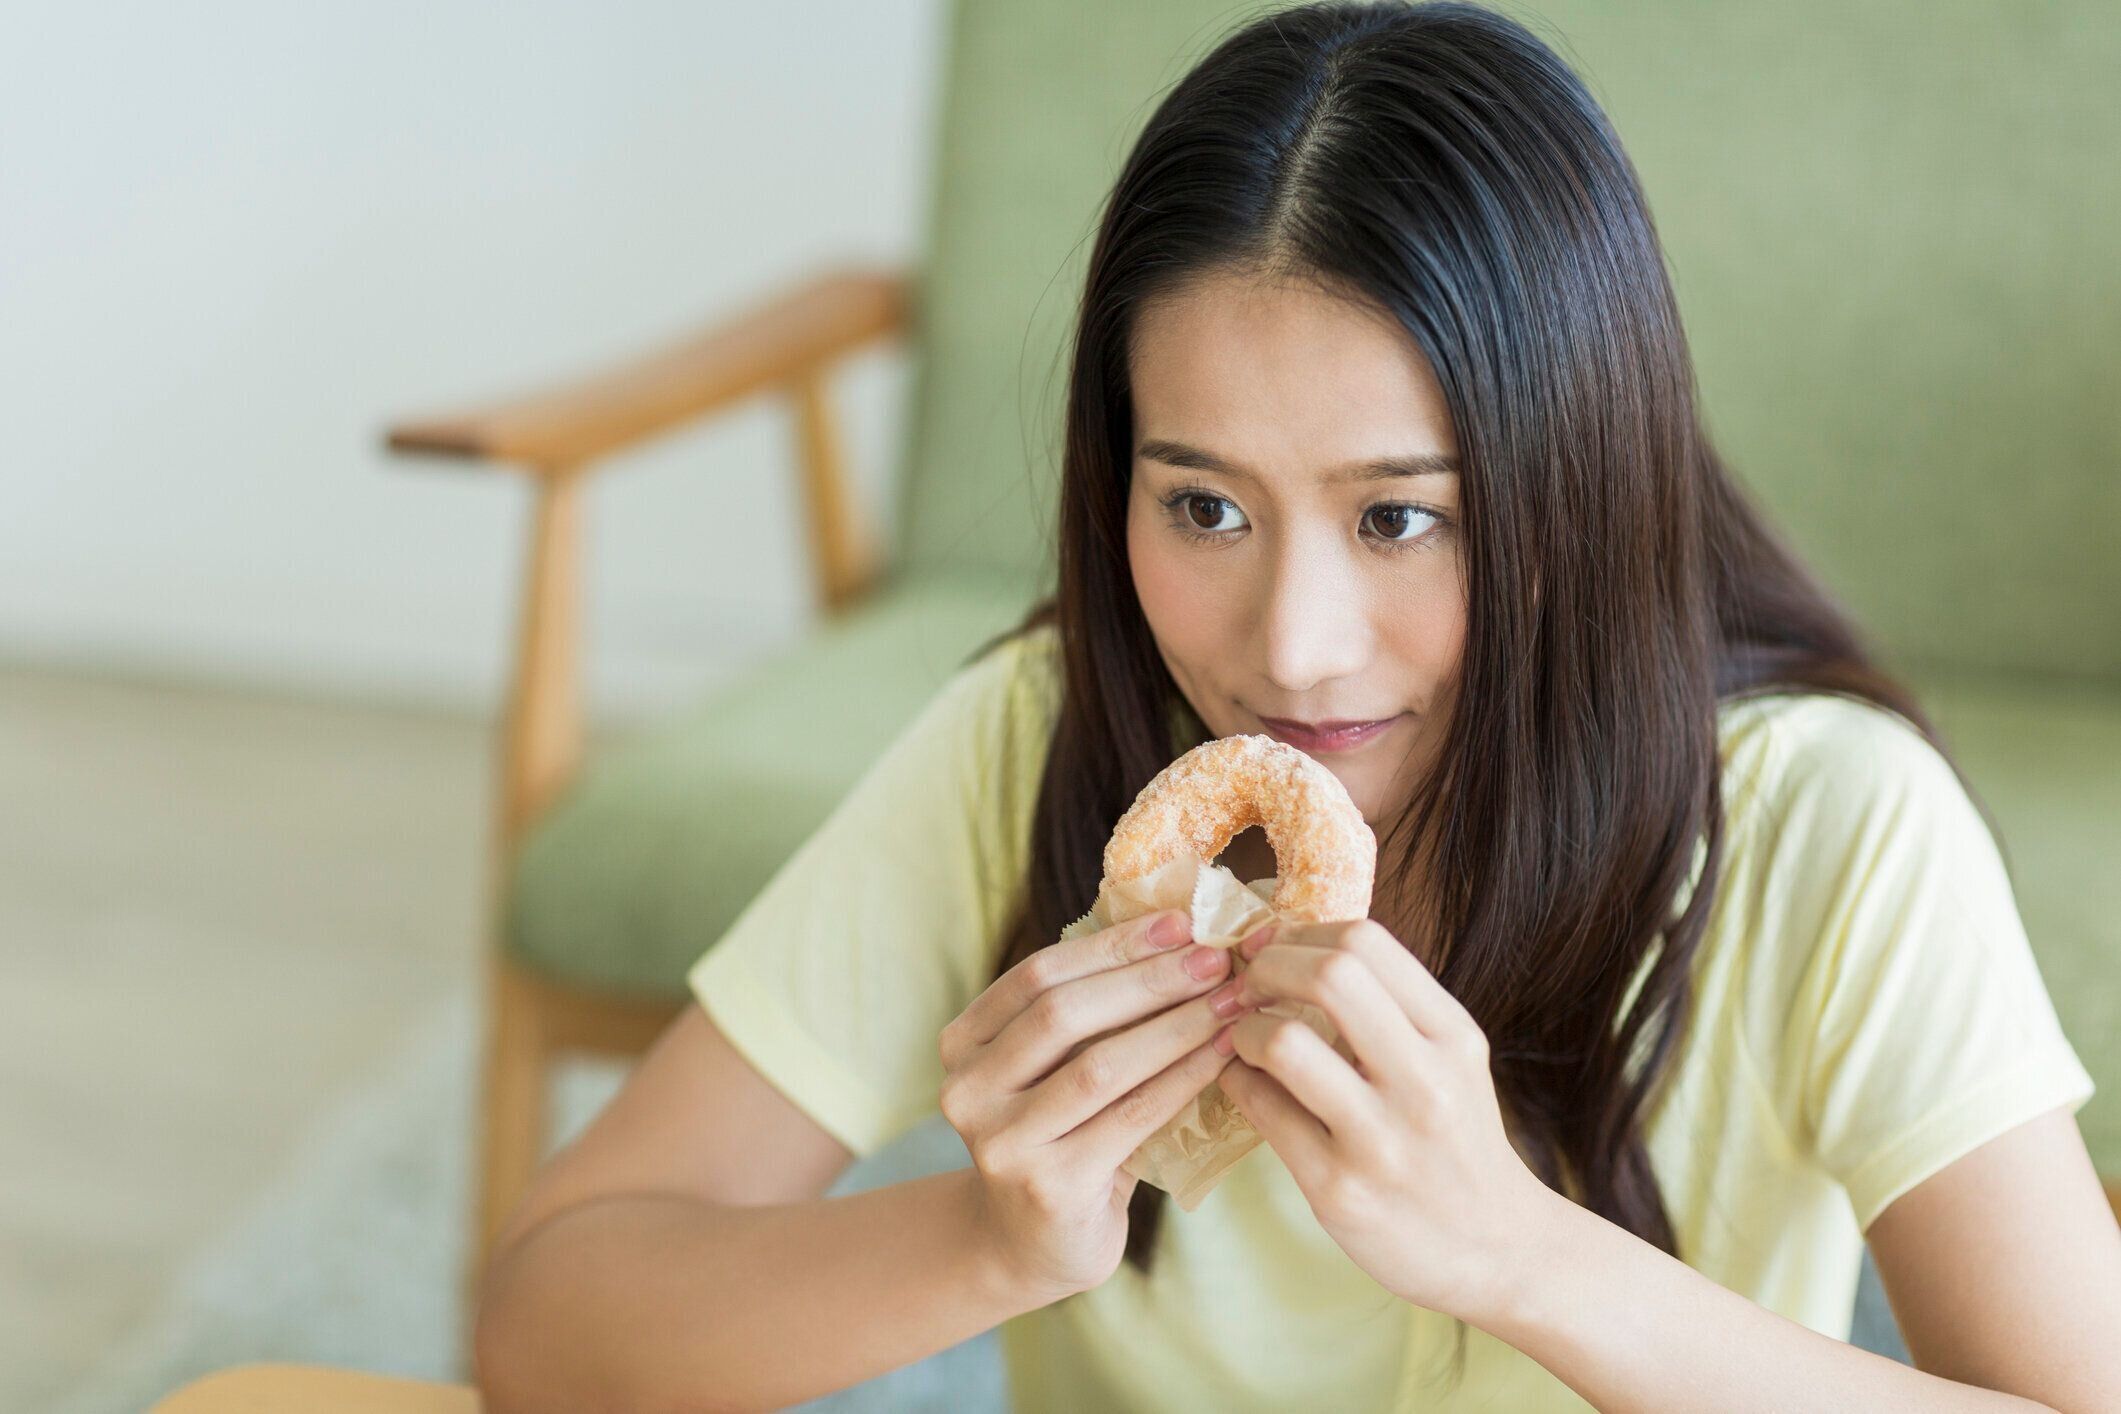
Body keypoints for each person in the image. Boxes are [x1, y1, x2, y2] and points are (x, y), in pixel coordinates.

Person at [469, 4, 2121, 1410]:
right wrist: (989, 1240)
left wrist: (1516, 1252)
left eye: (1398, 516)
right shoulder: (1033, 742)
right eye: (1202, 507)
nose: (1294, 647)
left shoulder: (1827, 820)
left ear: (1574, 489)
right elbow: (545, 1316)